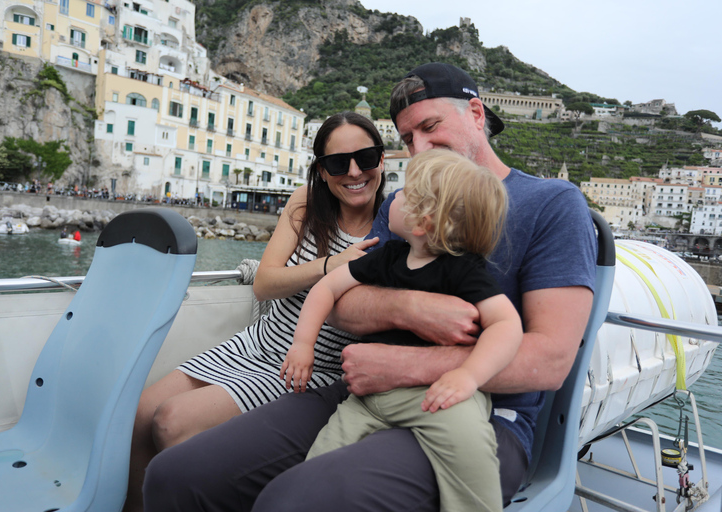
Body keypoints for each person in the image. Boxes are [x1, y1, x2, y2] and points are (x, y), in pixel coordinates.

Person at [143, 62, 597, 512]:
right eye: (406, 138)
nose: (419, 147)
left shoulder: (552, 203)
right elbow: (344, 302)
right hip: (363, 391)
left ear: (476, 114)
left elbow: (551, 360)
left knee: (294, 502)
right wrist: (412, 309)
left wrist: (406, 364)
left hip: (480, 415)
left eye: (430, 126)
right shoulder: (407, 204)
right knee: (177, 477)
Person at [125, 111, 387, 512]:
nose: (354, 172)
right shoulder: (306, 204)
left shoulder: (391, 228)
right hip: (258, 343)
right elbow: (265, 281)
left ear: (382, 159)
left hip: (311, 367)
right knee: (141, 411)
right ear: (321, 170)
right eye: (338, 163)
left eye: (366, 158)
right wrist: (329, 265)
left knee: (171, 421)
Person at [281, 149, 523, 511]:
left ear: (423, 221)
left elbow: (506, 325)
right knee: (315, 471)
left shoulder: (463, 271)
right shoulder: (387, 256)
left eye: (404, 193)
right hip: (366, 397)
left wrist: (469, 377)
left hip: (437, 397)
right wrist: (303, 344)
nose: (393, 197)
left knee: (472, 459)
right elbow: (326, 288)